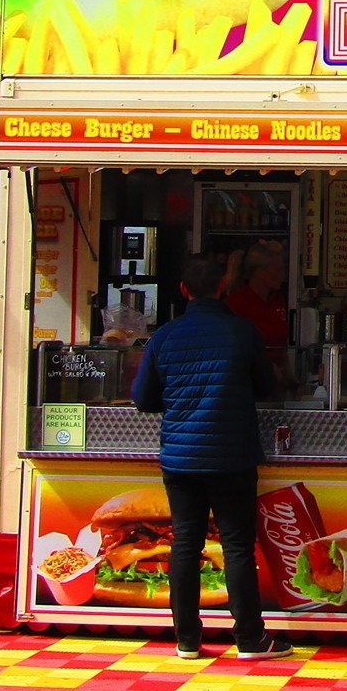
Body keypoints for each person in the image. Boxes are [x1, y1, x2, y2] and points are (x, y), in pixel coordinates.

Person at [130, 251, 291, 661]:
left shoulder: (165, 336)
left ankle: (187, 639)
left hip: (181, 458)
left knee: (185, 543)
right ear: (223, 287)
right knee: (237, 546)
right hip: (232, 456)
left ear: (183, 290)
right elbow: (266, 387)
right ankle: (251, 639)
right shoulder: (242, 332)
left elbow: (143, 399)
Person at [221, 238, 290, 350]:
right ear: (260, 272)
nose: (282, 275)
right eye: (277, 270)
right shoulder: (236, 303)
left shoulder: (278, 300)